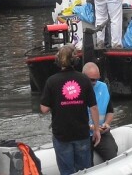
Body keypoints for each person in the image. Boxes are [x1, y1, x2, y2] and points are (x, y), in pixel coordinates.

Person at [40, 45, 100, 175]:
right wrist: (96, 129)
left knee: (67, 172)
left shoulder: (51, 81)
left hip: (62, 135)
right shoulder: (84, 79)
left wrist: (56, 102)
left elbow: (44, 109)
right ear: (75, 60)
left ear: (58, 60)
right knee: (85, 171)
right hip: (82, 134)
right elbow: (94, 107)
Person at [82, 63, 118, 162]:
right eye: (92, 79)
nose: (95, 82)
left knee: (112, 153)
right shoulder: (76, 90)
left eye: (97, 79)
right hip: (83, 134)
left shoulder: (103, 87)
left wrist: (106, 124)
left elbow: (110, 111)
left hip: (101, 132)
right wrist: (92, 127)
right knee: (85, 162)